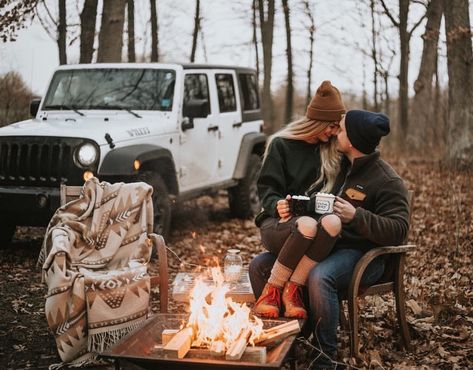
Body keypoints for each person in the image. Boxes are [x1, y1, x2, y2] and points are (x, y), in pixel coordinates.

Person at [249, 109, 410, 368]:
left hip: (363, 255)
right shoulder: (339, 167)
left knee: (320, 276)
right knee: (259, 265)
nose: (336, 133)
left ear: (354, 139)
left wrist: (357, 216)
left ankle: (324, 358)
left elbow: (399, 230)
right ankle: (289, 340)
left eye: (342, 129)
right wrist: (295, 206)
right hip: (326, 245)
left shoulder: (386, 180)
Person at [252, 80, 346, 319]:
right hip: (281, 223)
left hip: (317, 229)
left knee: (331, 223)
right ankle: (271, 292)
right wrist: (277, 204)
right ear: (318, 122)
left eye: (338, 127)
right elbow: (266, 188)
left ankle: (292, 290)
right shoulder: (281, 145)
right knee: (306, 224)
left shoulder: (333, 151)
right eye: (331, 126)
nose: (334, 132)